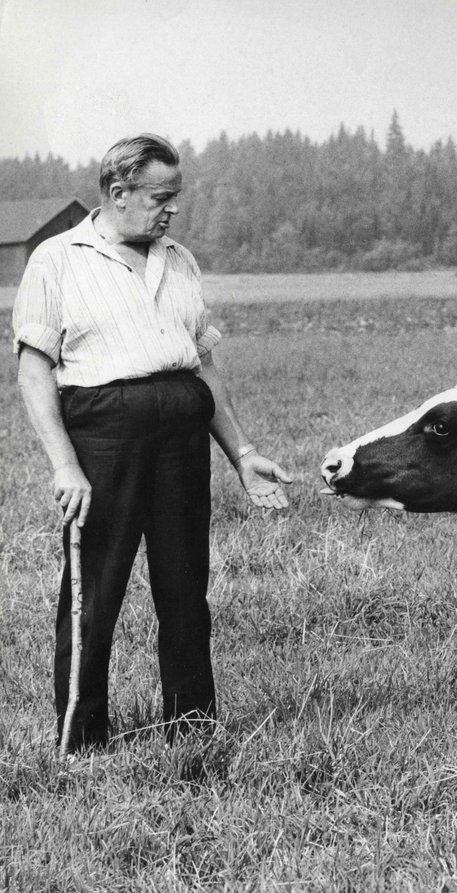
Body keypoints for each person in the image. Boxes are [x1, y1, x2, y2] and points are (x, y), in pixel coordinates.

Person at [12, 133, 293, 752]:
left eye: (176, 197)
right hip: (105, 435)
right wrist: (66, 466)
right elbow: (35, 373)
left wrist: (243, 455)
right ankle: (81, 739)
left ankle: (191, 727)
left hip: (181, 438)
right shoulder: (56, 260)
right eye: (160, 197)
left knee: (185, 587)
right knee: (95, 591)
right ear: (118, 193)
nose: (171, 210)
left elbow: (202, 365)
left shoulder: (181, 260)